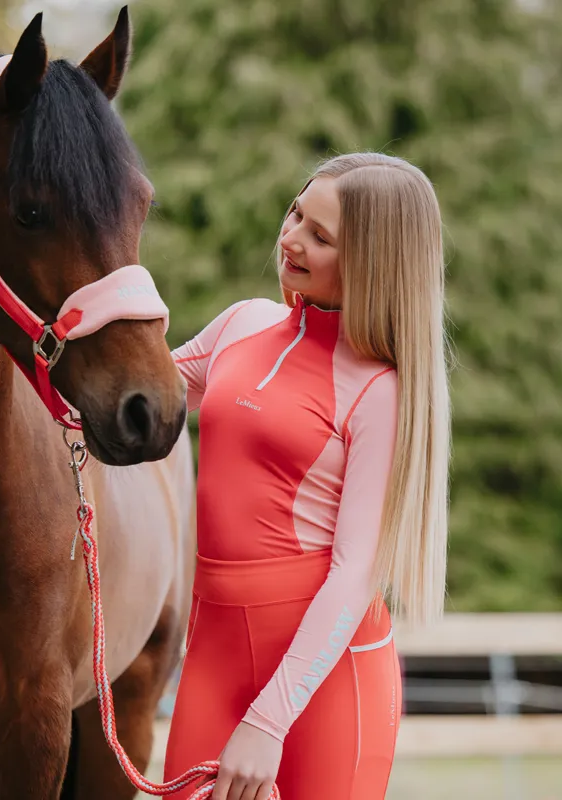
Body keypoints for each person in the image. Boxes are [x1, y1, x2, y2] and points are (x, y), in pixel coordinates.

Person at [164, 152, 451, 800]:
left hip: (328, 683)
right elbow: (128, 398)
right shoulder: (242, 324)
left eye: (320, 237)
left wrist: (268, 722)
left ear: (370, 265)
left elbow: (354, 575)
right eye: (297, 213)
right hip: (211, 658)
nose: (291, 237)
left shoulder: (380, 390)